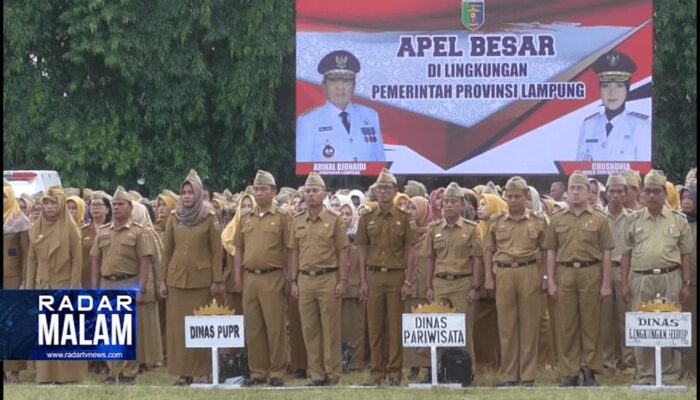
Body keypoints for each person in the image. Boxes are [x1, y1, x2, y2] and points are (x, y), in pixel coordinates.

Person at [620, 169, 694, 385]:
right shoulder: (633, 220)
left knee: (669, 326)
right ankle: (646, 374)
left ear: (664, 193)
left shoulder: (678, 220)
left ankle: (669, 374)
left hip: (670, 277)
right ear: (642, 193)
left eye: (657, 191)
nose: (652, 196)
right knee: (642, 325)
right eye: (648, 191)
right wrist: (624, 283)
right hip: (640, 279)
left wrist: (686, 283)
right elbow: (625, 254)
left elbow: (686, 254)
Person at [544, 171, 615, 387]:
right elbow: (550, 251)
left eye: (580, 188)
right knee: (567, 325)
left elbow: (606, 253)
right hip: (565, 273)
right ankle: (570, 372)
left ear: (588, 193)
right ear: (567, 192)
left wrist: (605, 283)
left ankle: (590, 370)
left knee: (591, 324)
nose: (575, 192)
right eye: (572, 188)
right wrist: (550, 280)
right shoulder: (557, 219)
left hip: (590, 273)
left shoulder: (600, 219)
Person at [159, 170, 224, 385]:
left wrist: (217, 280)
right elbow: (167, 250)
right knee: (178, 329)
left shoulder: (209, 216)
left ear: (198, 194)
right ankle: (182, 373)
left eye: (190, 192)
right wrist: (163, 280)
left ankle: (203, 370)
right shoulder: (174, 217)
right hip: (177, 281)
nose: (186, 196)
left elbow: (217, 251)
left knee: (200, 328)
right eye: (183, 192)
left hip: (201, 282)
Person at [357, 168, 419, 386]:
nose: (382, 192)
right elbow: (362, 249)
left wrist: (408, 281)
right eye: (379, 188)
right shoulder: (366, 218)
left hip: (395, 276)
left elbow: (411, 250)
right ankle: (376, 373)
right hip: (373, 276)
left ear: (395, 191)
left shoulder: (404, 218)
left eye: (387, 188)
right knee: (374, 328)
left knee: (394, 327)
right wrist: (363, 281)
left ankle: (394, 373)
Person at [483, 177, 547, 386]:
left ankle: (527, 375)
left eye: (517, 196)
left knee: (529, 325)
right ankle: (509, 374)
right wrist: (488, 277)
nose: (513, 200)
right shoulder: (497, 221)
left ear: (526, 197)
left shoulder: (538, 221)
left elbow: (546, 250)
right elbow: (488, 250)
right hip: (504, 273)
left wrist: (545, 276)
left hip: (529, 271)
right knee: (506, 326)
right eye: (509, 196)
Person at [288, 173, 349, 386]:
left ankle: (332, 373)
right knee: (309, 329)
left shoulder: (334, 220)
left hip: (328, 278)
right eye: (308, 191)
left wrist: (342, 280)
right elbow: (293, 253)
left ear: (324, 193)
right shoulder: (297, 221)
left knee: (331, 328)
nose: (311, 194)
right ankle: (316, 374)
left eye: (315, 191)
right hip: (305, 279)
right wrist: (293, 281)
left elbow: (343, 251)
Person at [232, 170, 291, 387]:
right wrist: (237, 277)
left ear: (274, 192)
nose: (258, 193)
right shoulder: (246, 218)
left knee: (275, 326)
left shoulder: (282, 217)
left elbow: (290, 249)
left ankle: (277, 372)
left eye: (263, 189)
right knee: (253, 327)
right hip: (250, 278)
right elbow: (238, 249)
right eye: (256, 189)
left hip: (273, 276)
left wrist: (290, 278)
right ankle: (257, 372)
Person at [90, 188, 155, 384]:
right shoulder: (103, 232)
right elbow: (95, 261)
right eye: (114, 205)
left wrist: (141, 288)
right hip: (107, 283)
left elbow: (145, 262)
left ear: (130, 207)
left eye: (121, 204)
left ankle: (129, 373)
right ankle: (113, 372)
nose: (116, 208)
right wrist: (95, 290)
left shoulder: (138, 232)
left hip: (128, 282)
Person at [25, 186, 87, 384]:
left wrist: (74, 288)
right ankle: (45, 375)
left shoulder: (70, 229)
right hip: (42, 284)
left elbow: (77, 262)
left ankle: (67, 376)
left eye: (53, 203)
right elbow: (31, 260)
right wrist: (29, 289)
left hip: (63, 284)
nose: (49, 207)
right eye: (46, 203)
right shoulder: (35, 228)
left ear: (60, 205)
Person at [423, 182, 484, 371]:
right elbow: (429, 259)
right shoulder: (433, 229)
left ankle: (467, 371)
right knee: (437, 330)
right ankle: (438, 370)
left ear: (462, 205)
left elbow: (477, 259)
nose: (448, 205)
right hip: (440, 282)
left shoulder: (471, 229)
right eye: (446, 202)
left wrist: (475, 287)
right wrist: (428, 286)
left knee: (463, 329)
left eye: (453, 202)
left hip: (462, 283)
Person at [296, 50, 385, 163]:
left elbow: (381, 165)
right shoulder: (308, 121)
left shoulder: (370, 116)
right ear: (323, 86)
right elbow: (304, 166)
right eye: (333, 80)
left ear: (354, 87)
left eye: (346, 80)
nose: (340, 87)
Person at [576, 51, 651, 161]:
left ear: (627, 89)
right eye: (606, 86)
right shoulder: (588, 125)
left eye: (619, 86)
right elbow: (578, 172)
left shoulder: (640, 126)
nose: (612, 93)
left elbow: (643, 170)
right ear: (600, 90)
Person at [599, 173, 635, 373]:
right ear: (606, 194)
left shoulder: (632, 218)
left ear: (626, 193)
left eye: (619, 192)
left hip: (625, 272)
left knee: (625, 318)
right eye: (611, 192)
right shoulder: (598, 217)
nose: (615, 196)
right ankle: (607, 363)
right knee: (604, 321)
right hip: (603, 272)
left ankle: (628, 362)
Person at [3, 183, 32, 383]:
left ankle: (13, 371)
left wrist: (24, 282)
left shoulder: (20, 221)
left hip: (12, 279)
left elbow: (27, 255)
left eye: (4, 197)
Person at [336, 195, 368, 371]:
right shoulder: (332, 237)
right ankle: (339, 362)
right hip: (337, 290)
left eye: (349, 214)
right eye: (342, 213)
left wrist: (363, 283)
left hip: (355, 289)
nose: (345, 217)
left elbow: (364, 263)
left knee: (356, 328)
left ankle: (355, 363)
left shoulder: (359, 237)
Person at [404, 195, 432, 382]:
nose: (410, 212)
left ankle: (431, 367)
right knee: (414, 326)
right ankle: (413, 365)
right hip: (411, 284)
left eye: (414, 208)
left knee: (430, 325)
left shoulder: (433, 229)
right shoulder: (406, 231)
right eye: (409, 208)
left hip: (428, 285)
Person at [679, 185, 696, 379]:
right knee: (685, 325)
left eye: (690, 198)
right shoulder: (679, 222)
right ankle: (685, 367)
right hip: (686, 282)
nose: (686, 201)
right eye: (683, 198)